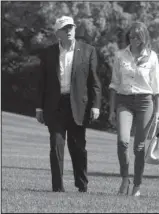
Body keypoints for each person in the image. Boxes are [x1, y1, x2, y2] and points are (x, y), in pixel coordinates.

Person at [36, 16, 102, 193]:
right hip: (55, 106)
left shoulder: (88, 51)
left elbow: (94, 81)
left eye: (71, 27)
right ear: (58, 33)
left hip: (78, 106)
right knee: (56, 145)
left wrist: (95, 105)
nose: (69, 31)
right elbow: (42, 82)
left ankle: (82, 185)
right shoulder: (48, 53)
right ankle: (58, 187)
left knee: (78, 146)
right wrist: (39, 108)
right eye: (65, 29)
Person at [108, 22, 159, 197]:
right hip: (124, 101)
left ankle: (137, 185)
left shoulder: (152, 57)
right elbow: (114, 85)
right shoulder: (120, 55)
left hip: (146, 102)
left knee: (139, 147)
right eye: (131, 36)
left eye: (137, 36)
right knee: (123, 141)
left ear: (143, 37)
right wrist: (111, 110)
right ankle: (125, 178)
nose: (133, 39)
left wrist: (158, 112)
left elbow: (157, 88)